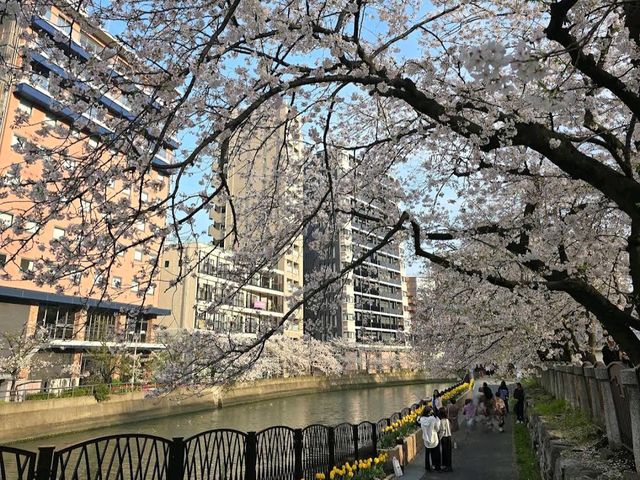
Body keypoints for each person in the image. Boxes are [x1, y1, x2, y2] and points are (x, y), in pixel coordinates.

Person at [418, 407, 441, 472]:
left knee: (427, 454)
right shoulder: (433, 419)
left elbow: (419, 423)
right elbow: (437, 428)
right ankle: (437, 466)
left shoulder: (422, 419)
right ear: (430, 412)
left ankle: (427, 467)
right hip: (434, 438)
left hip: (426, 438)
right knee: (436, 453)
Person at [438, 408, 453, 472]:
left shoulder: (442, 421)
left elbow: (442, 431)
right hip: (449, 437)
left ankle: (446, 466)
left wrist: (439, 438)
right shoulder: (448, 420)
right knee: (449, 452)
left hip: (444, 438)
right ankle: (449, 466)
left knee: (444, 452)